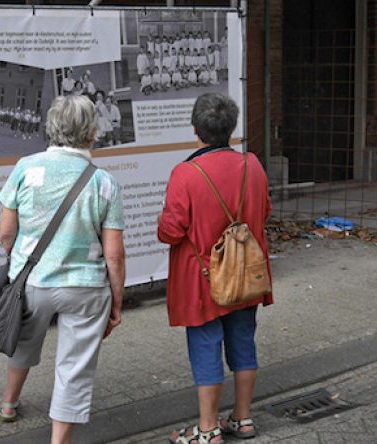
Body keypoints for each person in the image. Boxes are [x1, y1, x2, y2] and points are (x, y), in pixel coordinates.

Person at [0, 94, 125, 444]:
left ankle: (9, 403)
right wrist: (116, 302)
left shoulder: (26, 166)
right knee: (74, 368)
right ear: (93, 133)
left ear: (51, 127)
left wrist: (18, 260)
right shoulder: (105, 183)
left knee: (23, 340)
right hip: (85, 287)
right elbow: (114, 255)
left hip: (33, 281)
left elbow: (6, 231)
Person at [157, 93, 273, 444]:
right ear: (231, 128)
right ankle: (243, 418)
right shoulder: (252, 164)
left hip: (203, 278)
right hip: (245, 272)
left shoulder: (186, 174)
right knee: (243, 341)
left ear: (196, 129)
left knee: (206, 345)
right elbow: (264, 211)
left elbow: (171, 231)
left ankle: (207, 430)